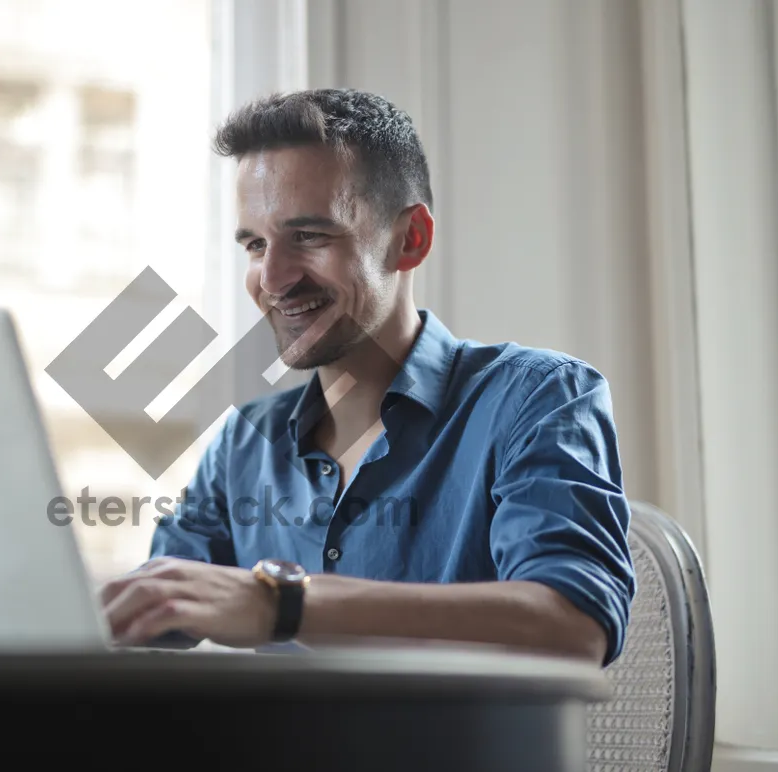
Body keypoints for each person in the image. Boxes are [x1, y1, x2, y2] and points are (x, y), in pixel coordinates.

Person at [98, 88, 635, 666]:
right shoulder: (244, 443)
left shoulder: (536, 399)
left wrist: (283, 605)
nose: (272, 278)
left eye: (309, 236)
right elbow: (148, 613)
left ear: (411, 239)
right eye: (256, 244)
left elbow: (576, 622)